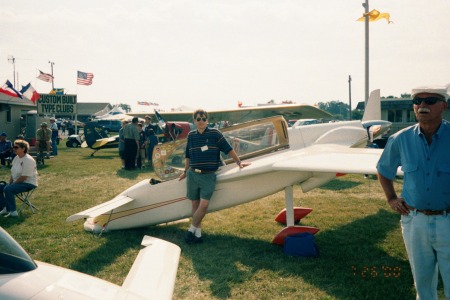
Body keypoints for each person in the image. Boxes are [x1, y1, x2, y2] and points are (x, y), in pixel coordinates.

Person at [377, 85, 450, 299]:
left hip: (448, 220)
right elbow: (384, 170)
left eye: (430, 101)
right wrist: (391, 198)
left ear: (443, 106)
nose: (422, 105)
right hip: (414, 221)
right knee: (423, 286)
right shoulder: (400, 139)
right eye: (418, 101)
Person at [178, 109, 250, 244]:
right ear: (194, 120)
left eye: (204, 119)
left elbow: (228, 149)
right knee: (195, 203)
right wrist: (185, 170)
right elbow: (188, 155)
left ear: (207, 120)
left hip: (208, 176)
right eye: (198, 119)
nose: (201, 121)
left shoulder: (215, 133)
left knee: (204, 205)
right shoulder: (191, 135)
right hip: (192, 174)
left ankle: (191, 230)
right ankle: (198, 235)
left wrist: (238, 162)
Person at [0, 139, 38, 218]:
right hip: (17, 182)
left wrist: (12, 185)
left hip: (28, 183)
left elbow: (24, 177)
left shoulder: (28, 160)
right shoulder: (16, 158)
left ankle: (13, 211)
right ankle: (5, 208)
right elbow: (12, 173)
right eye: (14, 147)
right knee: (1, 186)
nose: (14, 149)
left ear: (23, 148)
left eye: (16, 147)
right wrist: (10, 183)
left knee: (8, 189)